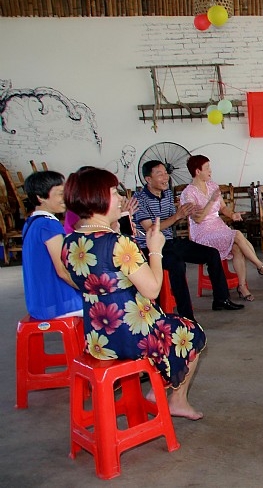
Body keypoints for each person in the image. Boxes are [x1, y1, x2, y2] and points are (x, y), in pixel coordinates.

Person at [63, 168, 206, 420]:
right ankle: (177, 399)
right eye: (114, 192)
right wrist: (155, 249)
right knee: (192, 331)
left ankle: (158, 389)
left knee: (171, 324)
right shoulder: (119, 243)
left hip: (97, 337)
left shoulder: (70, 241)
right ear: (97, 198)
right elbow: (152, 289)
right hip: (131, 336)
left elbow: (87, 280)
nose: (121, 198)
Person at [133, 160, 244, 317]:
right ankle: (186, 315)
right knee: (177, 264)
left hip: (170, 242)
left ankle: (221, 299)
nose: (165, 177)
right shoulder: (139, 199)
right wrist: (177, 216)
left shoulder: (167, 194)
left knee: (212, 254)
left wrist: (185, 214)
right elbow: (150, 229)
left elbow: (172, 221)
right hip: (150, 248)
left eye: (166, 173)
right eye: (160, 174)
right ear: (148, 179)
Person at [181, 155, 263, 301]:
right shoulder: (188, 193)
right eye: (207, 168)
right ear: (197, 171)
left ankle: (242, 286)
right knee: (237, 234)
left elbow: (223, 208)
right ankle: (260, 266)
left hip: (218, 226)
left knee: (237, 247)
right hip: (202, 233)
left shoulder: (212, 186)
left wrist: (233, 215)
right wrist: (211, 201)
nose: (210, 171)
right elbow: (198, 219)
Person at [21, 171, 82, 320]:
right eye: (60, 194)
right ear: (40, 197)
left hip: (39, 304)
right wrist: (89, 290)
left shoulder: (31, 223)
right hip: (57, 304)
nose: (65, 198)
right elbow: (62, 271)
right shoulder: (49, 225)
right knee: (109, 305)